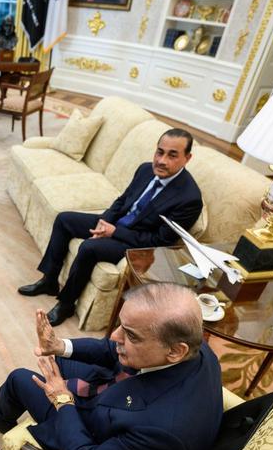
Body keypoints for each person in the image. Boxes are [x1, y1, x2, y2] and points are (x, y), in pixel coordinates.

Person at [0, 282, 223, 450]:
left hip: (92, 437)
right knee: (57, 361)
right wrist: (59, 346)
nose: (114, 336)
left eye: (131, 336)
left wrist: (64, 401)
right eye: (121, 326)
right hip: (119, 392)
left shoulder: (163, 432)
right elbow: (111, 350)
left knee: (20, 379)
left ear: (175, 351)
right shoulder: (194, 348)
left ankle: (0, 417)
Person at [19, 128, 202, 326]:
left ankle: (66, 304)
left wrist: (115, 232)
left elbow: (159, 242)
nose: (162, 160)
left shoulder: (189, 199)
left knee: (89, 248)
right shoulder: (145, 169)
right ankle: (50, 280)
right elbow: (122, 201)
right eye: (160, 152)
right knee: (64, 219)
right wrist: (103, 223)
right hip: (116, 224)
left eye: (172, 155)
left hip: (136, 243)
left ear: (187, 158)